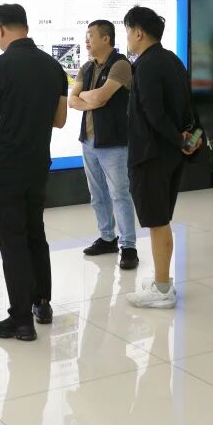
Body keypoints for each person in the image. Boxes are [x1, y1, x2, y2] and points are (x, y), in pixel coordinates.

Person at [0, 4, 68, 341]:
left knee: (12, 239)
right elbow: (60, 120)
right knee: (34, 232)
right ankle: (42, 303)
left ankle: (21, 320)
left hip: (5, 167)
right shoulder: (53, 66)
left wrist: (1, 113)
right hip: (38, 162)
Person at [123, 6, 200, 309]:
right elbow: (187, 107)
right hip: (170, 155)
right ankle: (161, 279)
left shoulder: (145, 66)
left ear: (139, 32)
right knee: (161, 219)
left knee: (157, 221)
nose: (128, 37)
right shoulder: (172, 60)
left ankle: (163, 289)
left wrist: (178, 139)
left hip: (150, 155)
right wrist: (189, 139)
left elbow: (154, 114)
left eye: (128, 31)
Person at [69, 19, 139, 270]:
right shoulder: (87, 67)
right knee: (97, 194)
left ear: (106, 39)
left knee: (119, 194)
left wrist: (87, 97)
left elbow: (101, 96)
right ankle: (107, 238)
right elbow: (72, 101)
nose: (87, 40)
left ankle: (129, 246)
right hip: (89, 140)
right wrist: (90, 99)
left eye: (91, 35)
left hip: (114, 142)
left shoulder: (120, 65)